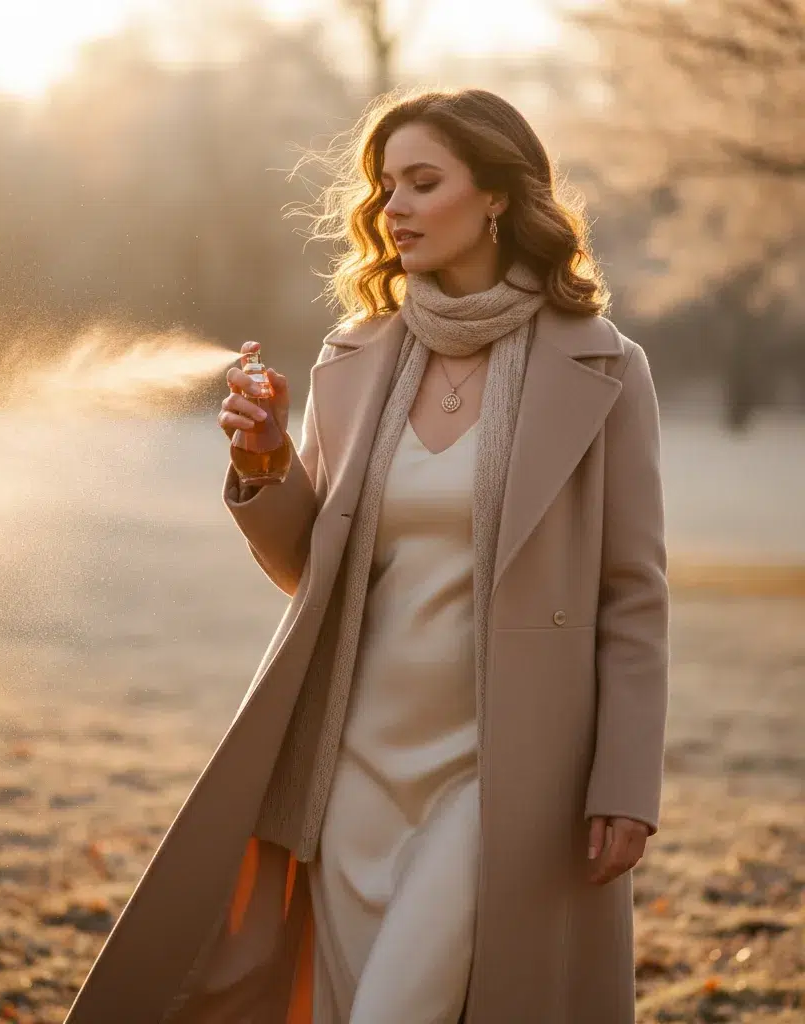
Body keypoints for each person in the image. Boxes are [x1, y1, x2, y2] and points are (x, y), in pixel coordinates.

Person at [64, 88, 669, 1024]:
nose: (394, 208)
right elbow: (313, 566)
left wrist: (624, 782)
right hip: (352, 762)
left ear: (499, 196)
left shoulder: (604, 368)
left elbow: (633, 597)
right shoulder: (355, 357)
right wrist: (263, 457)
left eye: (424, 183)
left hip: (502, 771)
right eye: (386, 186)